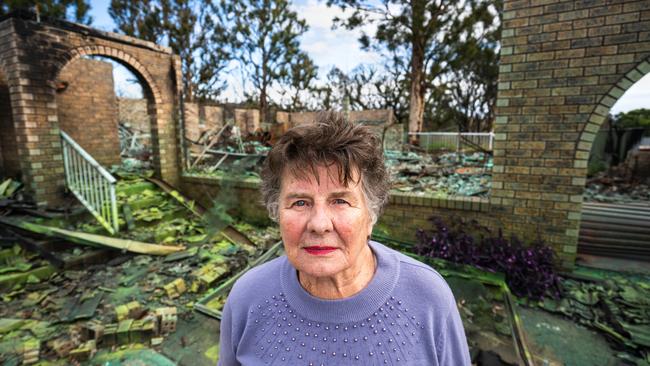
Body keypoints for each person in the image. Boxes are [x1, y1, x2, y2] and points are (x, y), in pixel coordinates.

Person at [218, 112, 470, 365]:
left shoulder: (428, 298)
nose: (319, 224)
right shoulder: (247, 298)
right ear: (276, 212)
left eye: (340, 201)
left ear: (371, 214)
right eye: (300, 202)